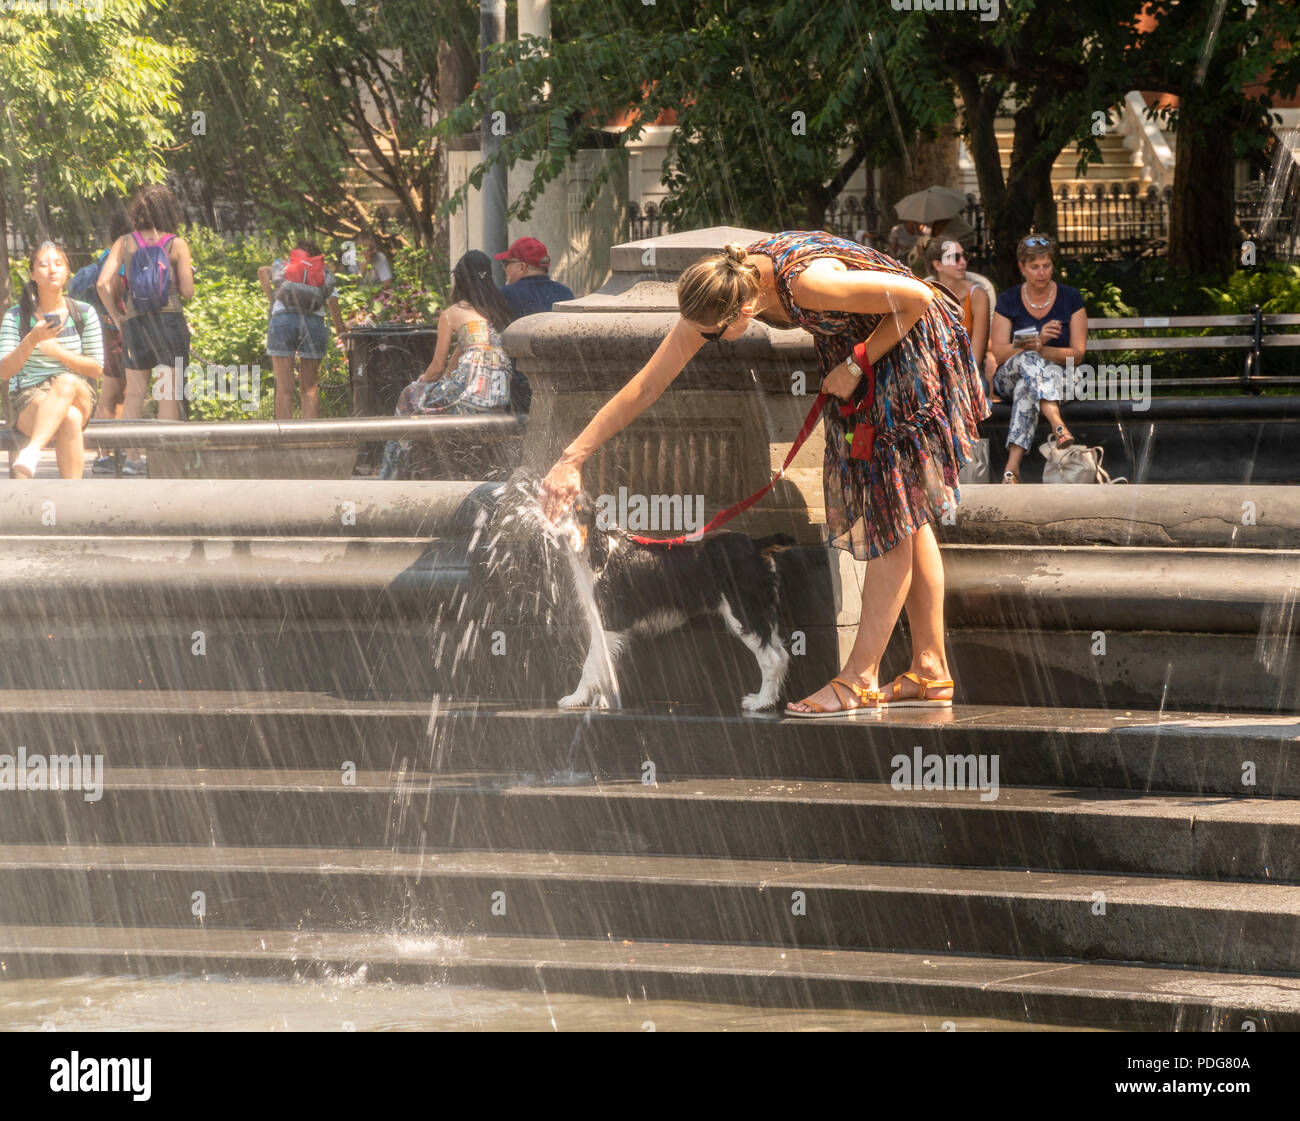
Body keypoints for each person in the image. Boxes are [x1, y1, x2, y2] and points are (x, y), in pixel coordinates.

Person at [540, 232, 989, 716]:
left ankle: (859, 679)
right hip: (865, 356)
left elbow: (919, 298)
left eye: (713, 334)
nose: (707, 342)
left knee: (890, 516)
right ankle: (929, 668)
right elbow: (647, 385)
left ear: (743, 312)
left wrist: (856, 364)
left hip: (906, 349)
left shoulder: (809, 284)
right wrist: (573, 458)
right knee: (907, 516)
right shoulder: (725, 289)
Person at [378, 250, 515, 480]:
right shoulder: (500, 311)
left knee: (409, 396)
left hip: (467, 399)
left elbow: (437, 367)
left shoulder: (453, 313)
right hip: (498, 398)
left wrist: (422, 381)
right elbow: (461, 356)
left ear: (459, 279)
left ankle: (393, 473)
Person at [97, 183, 195, 475]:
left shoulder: (125, 242)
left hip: (136, 324)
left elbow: (103, 283)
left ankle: (132, 458)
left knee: (136, 393)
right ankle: (164, 457)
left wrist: (118, 316)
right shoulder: (176, 244)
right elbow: (188, 292)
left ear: (138, 212)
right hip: (169, 321)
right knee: (168, 391)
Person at [988, 234, 1088, 484]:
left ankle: (1011, 470)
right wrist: (1036, 341)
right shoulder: (1008, 300)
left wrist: (1040, 349)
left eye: (1046, 266)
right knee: (1028, 360)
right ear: (1022, 268)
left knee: (1027, 386)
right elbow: (1000, 352)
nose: (1041, 272)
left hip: (1062, 376)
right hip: (1010, 374)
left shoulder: (1071, 298)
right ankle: (1057, 423)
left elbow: (1077, 355)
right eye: (1034, 267)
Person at [0, 241, 104, 479]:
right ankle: (74, 504)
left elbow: (97, 368)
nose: (52, 269)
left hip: (78, 392)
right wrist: (32, 339)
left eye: (58, 264)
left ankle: (32, 451)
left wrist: (57, 352)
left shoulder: (84, 313)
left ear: (67, 272)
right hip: (30, 395)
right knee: (69, 417)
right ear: (33, 274)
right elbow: (4, 371)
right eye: (44, 265)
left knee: (66, 382)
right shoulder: (16, 316)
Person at [258, 240, 347, 419]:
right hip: (313, 323)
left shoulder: (286, 268)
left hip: (283, 321)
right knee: (310, 388)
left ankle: (284, 439)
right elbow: (334, 307)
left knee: (284, 389)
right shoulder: (320, 272)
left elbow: (262, 271)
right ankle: (311, 439)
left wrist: (273, 299)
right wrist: (341, 332)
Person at [76, 210, 132, 473]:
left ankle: (106, 455)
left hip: (106, 331)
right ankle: (115, 454)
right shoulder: (122, 258)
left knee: (114, 395)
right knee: (119, 394)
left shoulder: (105, 258)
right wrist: (119, 318)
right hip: (121, 333)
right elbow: (105, 286)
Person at [917, 235, 994, 382]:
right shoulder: (924, 295)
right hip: (932, 374)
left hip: (969, 374)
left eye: (964, 256)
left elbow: (976, 359)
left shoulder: (978, 295)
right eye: (955, 257)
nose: (963, 262)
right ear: (938, 265)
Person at [495, 237, 575, 319]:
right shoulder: (565, 293)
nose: (504, 268)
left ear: (522, 267)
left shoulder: (505, 295)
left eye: (505, 263)